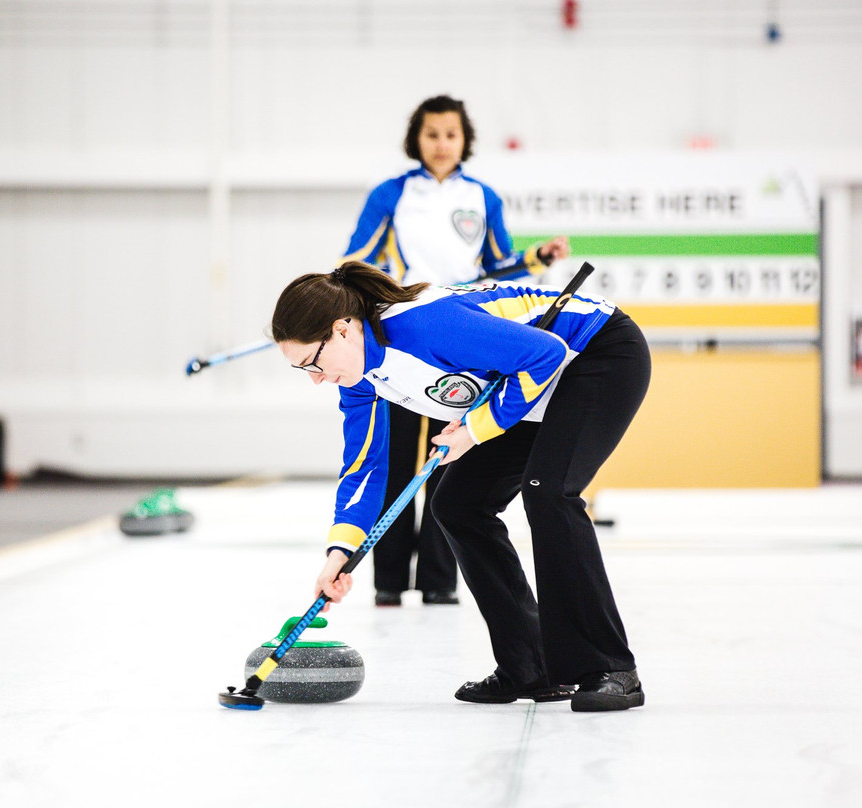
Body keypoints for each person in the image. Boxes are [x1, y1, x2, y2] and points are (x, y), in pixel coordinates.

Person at [271, 260, 650, 712]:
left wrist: (473, 431)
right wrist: (339, 555)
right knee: (457, 504)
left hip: (595, 353)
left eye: (313, 360)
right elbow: (364, 469)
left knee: (548, 490)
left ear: (344, 329)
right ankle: (530, 666)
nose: (315, 378)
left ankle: (610, 667)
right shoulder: (357, 382)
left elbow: (545, 353)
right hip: (526, 385)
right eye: (302, 370)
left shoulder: (422, 325)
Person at [340, 95, 570, 608]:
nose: (441, 144)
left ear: (464, 139)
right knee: (398, 460)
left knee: (451, 456)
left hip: (460, 331)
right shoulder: (391, 194)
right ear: (415, 140)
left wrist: (535, 258)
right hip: (402, 332)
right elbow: (356, 255)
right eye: (431, 134)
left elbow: (498, 264)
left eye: (450, 134)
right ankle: (388, 581)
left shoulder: (483, 197)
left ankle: (441, 581)